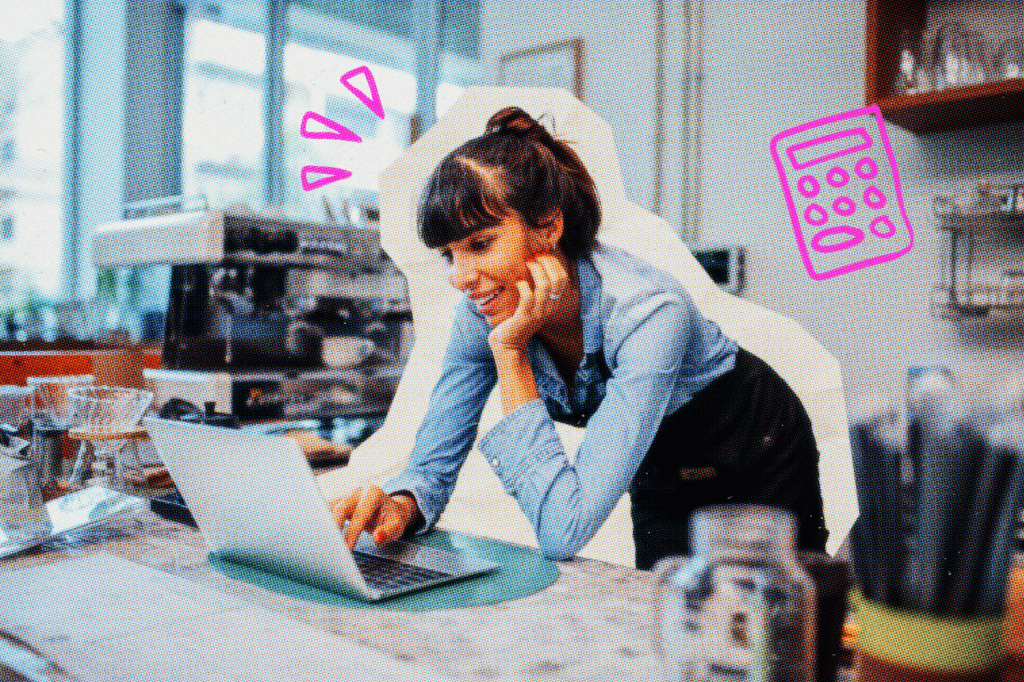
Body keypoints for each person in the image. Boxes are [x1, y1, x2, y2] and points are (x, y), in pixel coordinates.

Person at [331, 106, 827, 570]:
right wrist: (402, 504)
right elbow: (433, 464)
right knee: (664, 609)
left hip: (756, 438)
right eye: (450, 255)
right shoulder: (481, 312)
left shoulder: (648, 312)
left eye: (480, 245)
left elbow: (561, 529)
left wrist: (510, 353)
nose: (460, 277)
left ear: (547, 225)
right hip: (660, 455)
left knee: (784, 612)